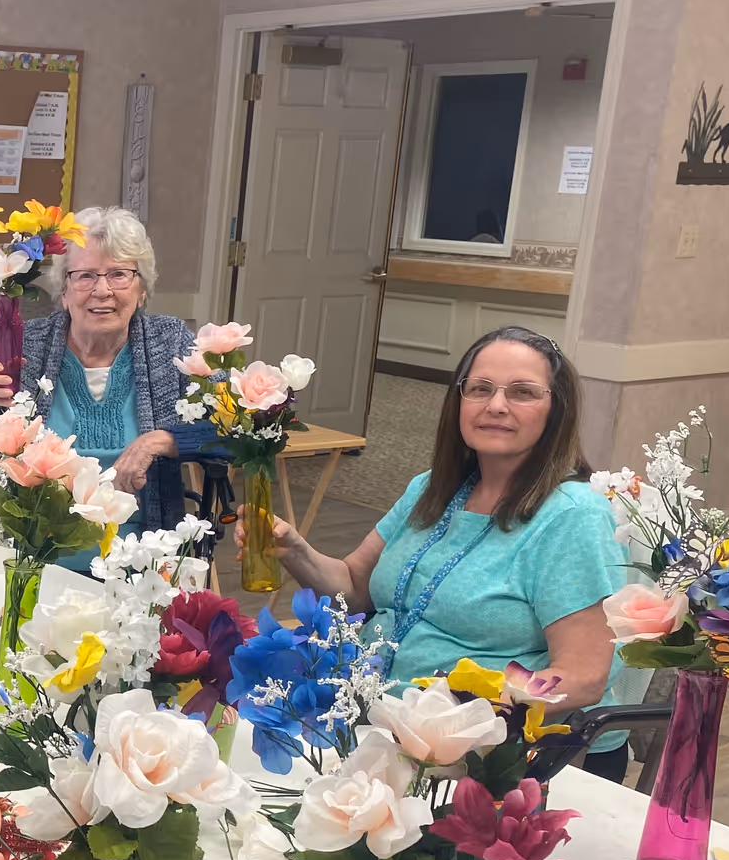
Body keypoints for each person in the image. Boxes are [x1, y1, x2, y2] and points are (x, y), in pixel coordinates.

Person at [236, 325, 632, 779]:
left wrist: (456, 711)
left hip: (495, 755)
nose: (496, 405)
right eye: (480, 389)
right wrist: (294, 551)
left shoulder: (571, 515)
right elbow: (356, 588)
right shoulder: (433, 488)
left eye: (522, 392)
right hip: (379, 723)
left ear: (556, 410)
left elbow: (582, 678)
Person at [0, 206, 215, 553]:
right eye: (85, 276)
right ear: (64, 293)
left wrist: (161, 441)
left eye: (119, 274)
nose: (102, 290)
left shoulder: (170, 342)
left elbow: (235, 430)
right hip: (35, 557)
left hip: (142, 561)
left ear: (142, 289)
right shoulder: (28, 344)